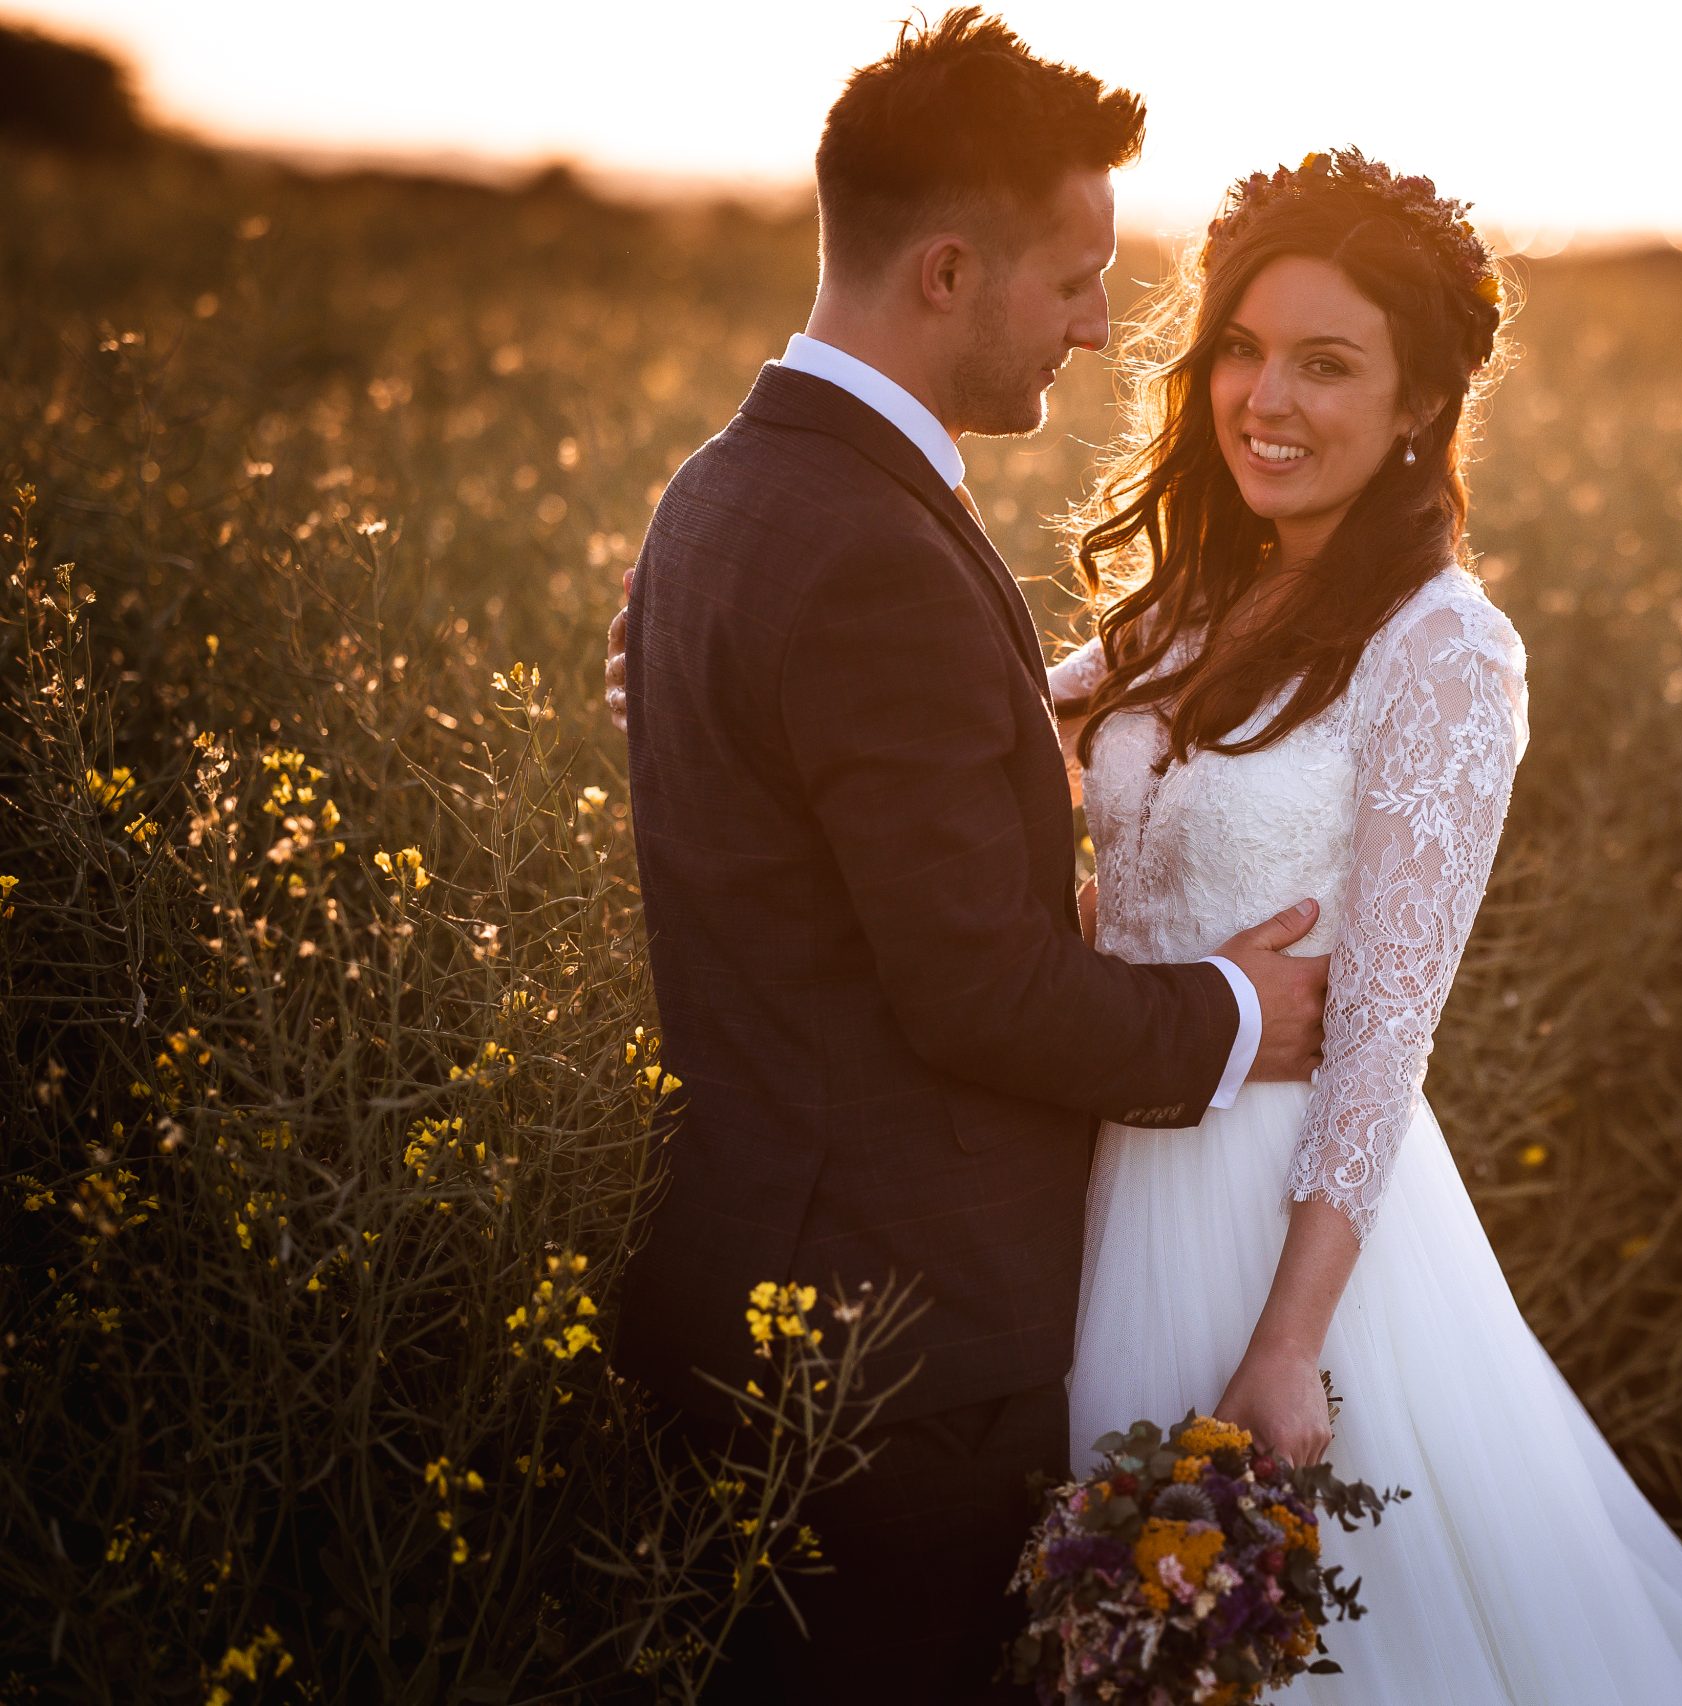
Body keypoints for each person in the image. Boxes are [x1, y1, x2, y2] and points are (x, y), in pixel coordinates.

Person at [601, 13, 1328, 1702]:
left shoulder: (722, 488)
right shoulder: (868, 548)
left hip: (757, 1286)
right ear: (946, 271)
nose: (1099, 323)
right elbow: (972, 991)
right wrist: (1236, 1017)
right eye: (1074, 280)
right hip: (896, 1344)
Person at [1047, 148, 1682, 1703]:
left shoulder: (1445, 652)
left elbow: (1387, 1034)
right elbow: (970, 750)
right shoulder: (1193, 599)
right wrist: (724, 675)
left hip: (1270, 1221)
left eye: (1328, 365)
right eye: (1245, 350)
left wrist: (1284, 1346)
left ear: (1418, 408)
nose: (1266, 397)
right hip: (1089, 1173)